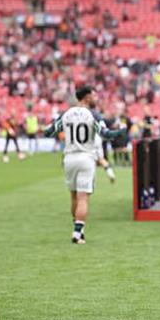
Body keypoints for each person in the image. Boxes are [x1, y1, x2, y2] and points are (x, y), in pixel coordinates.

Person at [43, 86, 124, 244]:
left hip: (69, 158)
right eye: (94, 96)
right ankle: (77, 233)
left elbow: (49, 132)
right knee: (83, 198)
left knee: (73, 196)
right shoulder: (93, 115)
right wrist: (121, 131)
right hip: (86, 158)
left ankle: (79, 231)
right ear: (87, 97)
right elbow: (106, 134)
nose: (96, 99)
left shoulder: (66, 113)